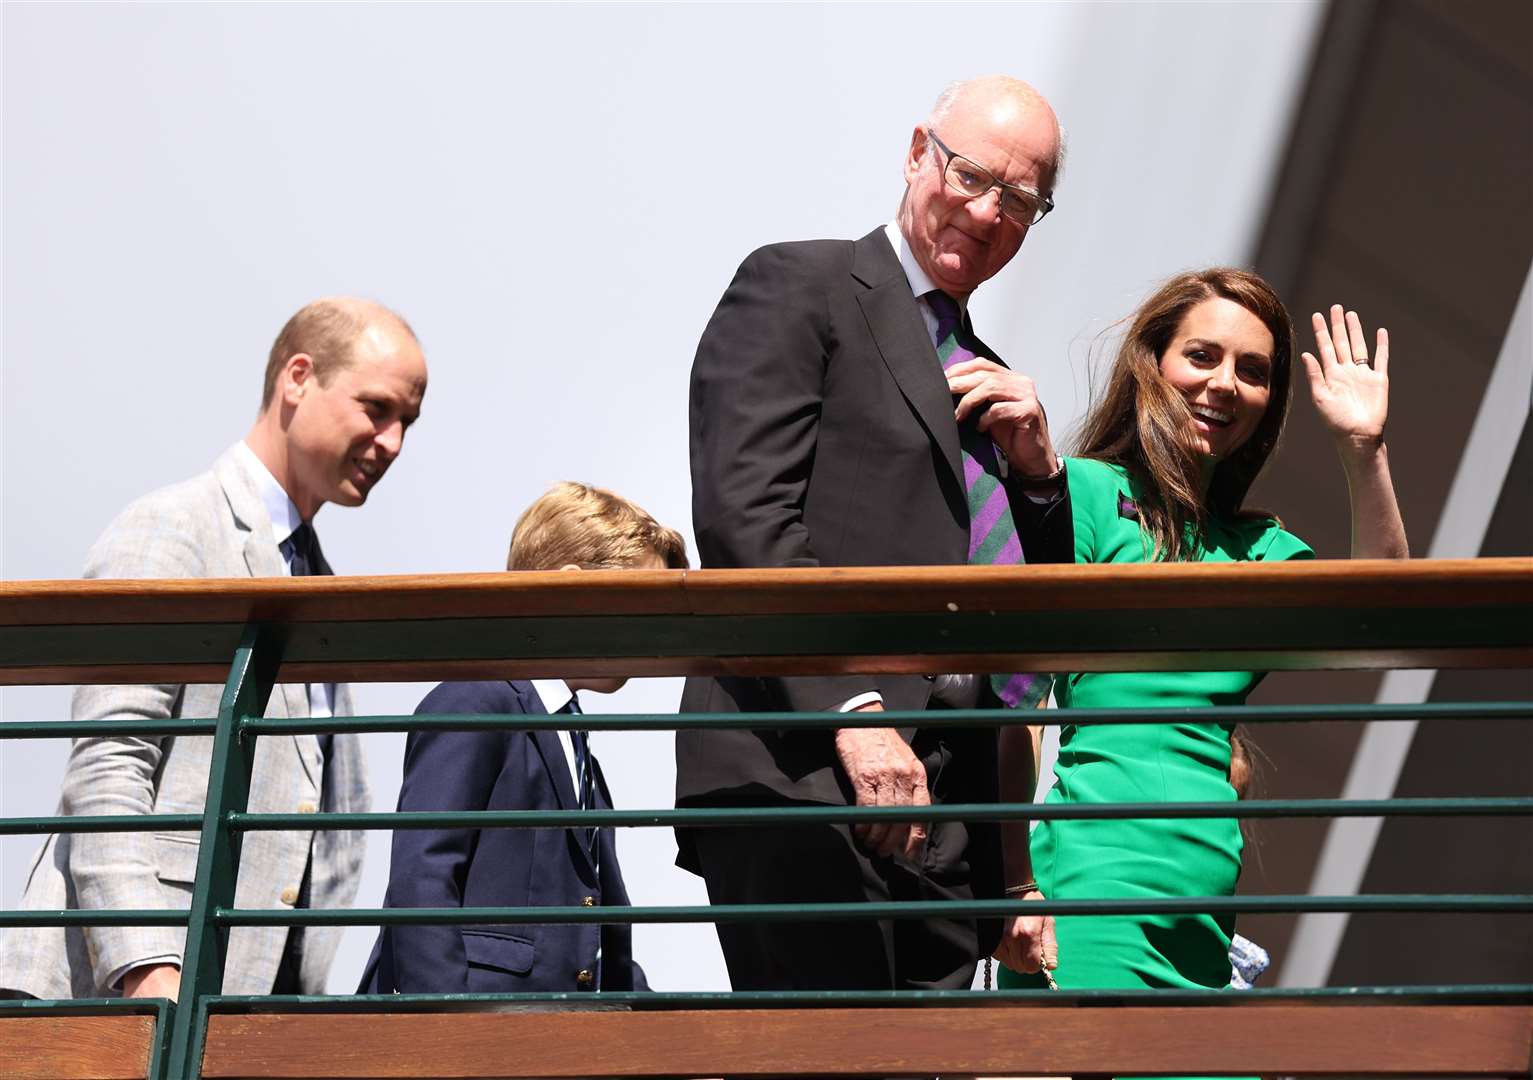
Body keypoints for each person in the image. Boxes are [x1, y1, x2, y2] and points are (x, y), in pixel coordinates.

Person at [677, 75, 1072, 991]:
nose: (984, 211)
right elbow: (744, 521)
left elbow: (1035, 635)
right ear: (914, 154)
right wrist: (850, 713)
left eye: (1019, 200)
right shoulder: (801, 284)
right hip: (802, 766)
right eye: (969, 174)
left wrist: (1040, 480)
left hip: (951, 828)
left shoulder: (993, 384)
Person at [0, 298, 428, 1000]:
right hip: (111, 1006)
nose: (392, 442)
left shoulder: (313, 577)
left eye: (406, 422)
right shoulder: (175, 526)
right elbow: (109, 762)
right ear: (297, 378)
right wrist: (145, 967)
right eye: (376, 408)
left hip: (238, 1012)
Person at [993, 269, 1408, 992]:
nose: (1224, 384)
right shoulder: (1088, 492)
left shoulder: (1257, 549)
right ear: (1153, 363)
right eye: (1202, 356)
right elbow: (1015, 700)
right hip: (1091, 889)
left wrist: (1361, 450)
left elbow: (1385, 614)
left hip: (1205, 911)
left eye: (1252, 371)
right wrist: (1018, 890)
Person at [357, 482, 687, 995]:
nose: (654, 632)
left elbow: (593, 925)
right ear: (573, 590)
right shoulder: (478, 699)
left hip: (545, 1033)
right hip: (469, 1031)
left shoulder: (576, 748)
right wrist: (445, 1031)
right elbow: (423, 874)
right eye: (642, 602)